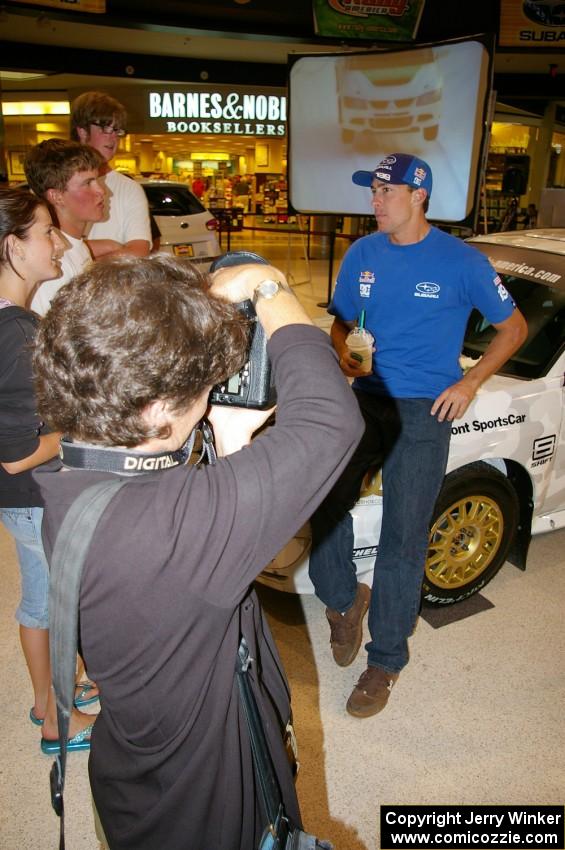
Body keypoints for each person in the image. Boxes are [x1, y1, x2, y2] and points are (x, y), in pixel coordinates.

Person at [32, 253, 363, 849]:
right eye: (203, 392)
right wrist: (269, 282)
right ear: (156, 410)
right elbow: (328, 421)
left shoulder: (72, 479)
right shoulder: (177, 529)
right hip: (207, 806)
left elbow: (197, 569)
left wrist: (233, 445)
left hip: (139, 779)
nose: (209, 403)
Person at [308, 153, 528, 718]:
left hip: (426, 409)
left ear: (418, 196)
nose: (374, 201)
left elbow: (514, 328)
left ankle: (384, 661)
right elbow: (341, 318)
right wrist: (345, 350)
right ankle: (341, 603)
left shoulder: (462, 262)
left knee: (402, 540)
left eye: (385, 191)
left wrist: (472, 382)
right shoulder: (363, 252)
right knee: (324, 507)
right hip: (367, 397)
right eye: (372, 191)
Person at [0, 187, 95, 753]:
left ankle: (61, 686)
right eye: (46, 233)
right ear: (13, 247)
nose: (59, 243)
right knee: (48, 600)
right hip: (32, 492)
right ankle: (53, 714)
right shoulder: (15, 335)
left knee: (53, 595)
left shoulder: (18, 323)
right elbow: (15, 450)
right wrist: (87, 427)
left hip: (28, 495)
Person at [24, 139, 105, 315]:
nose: (101, 191)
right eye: (88, 183)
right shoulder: (53, 262)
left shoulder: (75, 246)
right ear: (57, 196)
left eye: (97, 180)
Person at [70, 91, 152, 258]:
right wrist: (110, 246)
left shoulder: (129, 189)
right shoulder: (55, 182)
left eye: (117, 130)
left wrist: (82, 260)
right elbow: (52, 247)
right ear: (83, 132)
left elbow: (138, 251)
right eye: (105, 128)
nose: (113, 137)